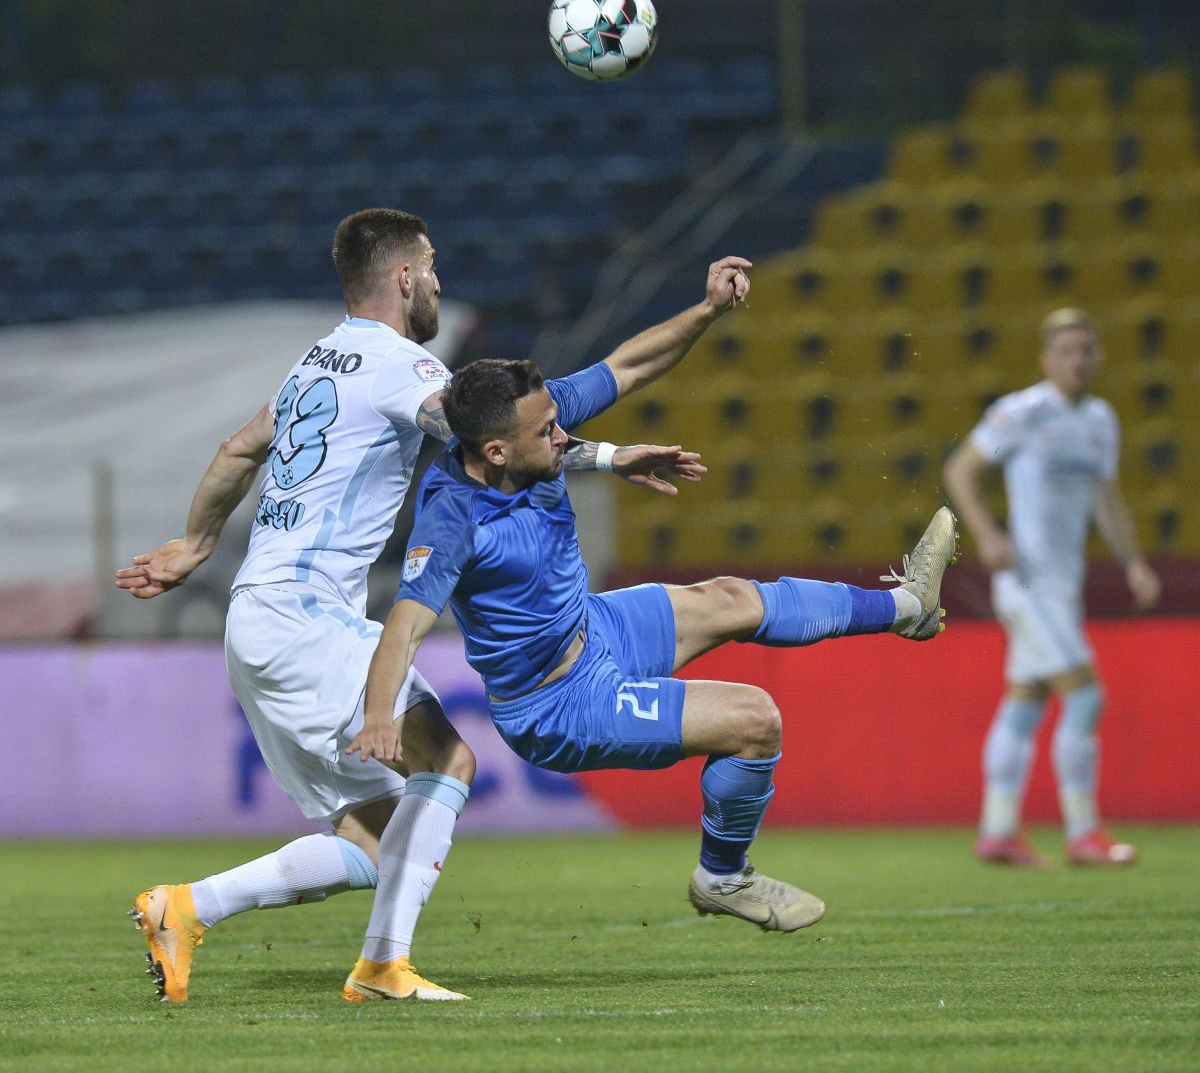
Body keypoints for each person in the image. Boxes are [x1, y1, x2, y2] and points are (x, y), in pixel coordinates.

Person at [116, 208, 705, 1003]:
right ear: (402, 278)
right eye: (430, 266)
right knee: (449, 761)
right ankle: (383, 966)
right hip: (305, 618)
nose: (436, 280)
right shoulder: (401, 366)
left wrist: (194, 543)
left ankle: (185, 908)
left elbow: (237, 450)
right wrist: (605, 454)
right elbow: (481, 432)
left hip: (258, 620)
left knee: (377, 840)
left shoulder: (313, 364)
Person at [345, 353, 958, 1001]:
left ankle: (908, 609)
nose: (561, 435)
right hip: (559, 700)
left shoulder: (527, 423)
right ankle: (723, 876)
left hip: (596, 626)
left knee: (730, 596)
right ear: (495, 449)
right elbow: (405, 624)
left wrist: (710, 308)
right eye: (547, 430)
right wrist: (381, 715)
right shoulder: (451, 519)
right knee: (756, 719)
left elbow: (627, 365)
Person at [942, 307, 1161, 868]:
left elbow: (1106, 498)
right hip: (1027, 582)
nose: (1077, 360)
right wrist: (988, 533)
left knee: (1026, 703)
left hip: (1063, 587)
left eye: (1085, 350)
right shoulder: (1023, 411)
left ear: (1098, 356)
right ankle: (1084, 832)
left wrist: (1133, 562)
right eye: (1065, 351)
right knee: (1086, 695)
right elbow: (960, 470)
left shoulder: (1101, 420)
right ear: (1046, 359)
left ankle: (996, 833)